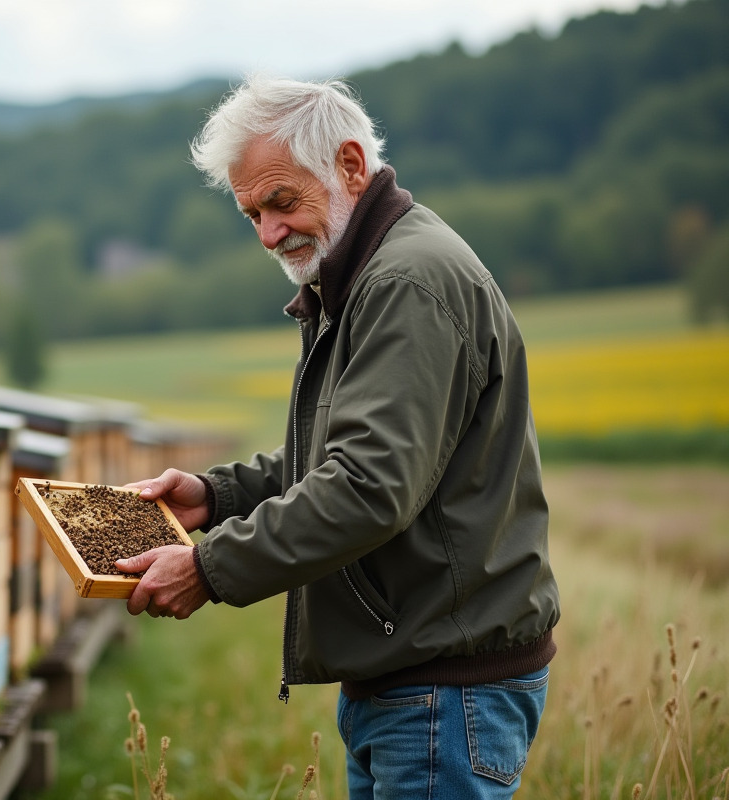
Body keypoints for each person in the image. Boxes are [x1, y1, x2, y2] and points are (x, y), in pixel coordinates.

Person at [113, 75, 561, 798]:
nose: (268, 233)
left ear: (351, 166)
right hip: (413, 681)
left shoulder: (406, 284)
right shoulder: (363, 275)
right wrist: (214, 495)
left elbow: (367, 487)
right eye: (251, 213)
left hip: (442, 691)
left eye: (282, 202)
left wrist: (208, 569)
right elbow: (341, 453)